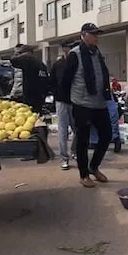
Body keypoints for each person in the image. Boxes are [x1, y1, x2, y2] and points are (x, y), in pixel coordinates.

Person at [61, 23, 113, 188]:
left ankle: (94, 167)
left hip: (99, 102)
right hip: (82, 103)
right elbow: (66, 80)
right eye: (93, 34)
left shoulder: (97, 52)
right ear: (83, 35)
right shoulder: (75, 54)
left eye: (97, 34)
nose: (96, 37)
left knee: (107, 135)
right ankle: (84, 174)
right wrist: (69, 102)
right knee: (82, 140)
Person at [50, 40, 77, 170]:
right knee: (62, 130)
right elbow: (52, 82)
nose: (71, 50)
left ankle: (74, 151)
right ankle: (64, 158)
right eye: (68, 47)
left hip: (75, 101)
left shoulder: (77, 64)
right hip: (61, 101)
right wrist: (57, 93)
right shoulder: (58, 65)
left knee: (78, 129)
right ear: (64, 49)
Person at [10, 44, 49, 114]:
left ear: (26, 53)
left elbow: (13, 60)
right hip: (40, 97)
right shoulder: (41, 63)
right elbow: (46, 80)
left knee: (28, 118)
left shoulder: (27, 59)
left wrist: (16, 54)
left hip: (29, 96)